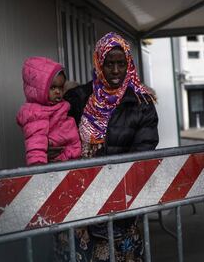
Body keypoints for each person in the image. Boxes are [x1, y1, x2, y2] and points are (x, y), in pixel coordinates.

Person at [55, 32, 159, 262]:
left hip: (122, 204)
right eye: (109, 63)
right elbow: (57, 133)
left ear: (129, 64)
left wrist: (109, 183)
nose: (114, 70)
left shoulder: (142, 104)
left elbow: (145, 147)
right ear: (98, 62)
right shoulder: (78, 98)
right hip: (82, 207)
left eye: (121, 64)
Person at [16, 56, 81, 165]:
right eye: (53, 88)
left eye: (60, 88)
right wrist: (38, 167)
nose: (58, 92)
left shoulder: (60, 106)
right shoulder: (35, 113)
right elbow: (35, 144)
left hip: (71, 160)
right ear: (39, 89)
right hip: (55, 164)